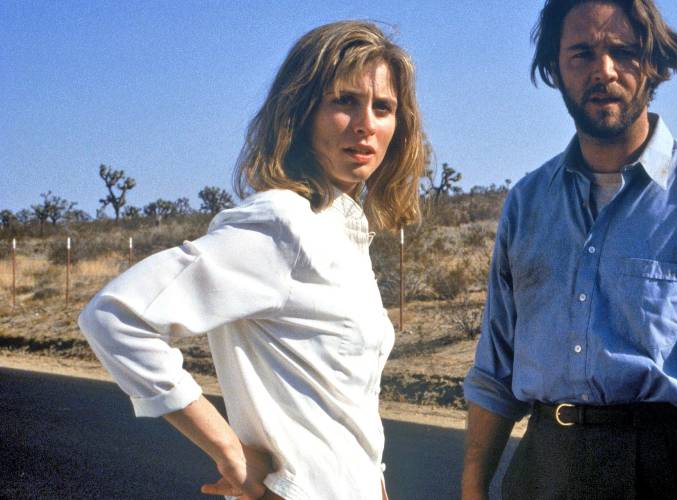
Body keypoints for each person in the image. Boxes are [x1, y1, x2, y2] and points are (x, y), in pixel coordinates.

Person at [461, 1, 677, 499]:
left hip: (662, 469)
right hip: (540, 468)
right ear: (555, 68)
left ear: (654, 62)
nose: (604, 70)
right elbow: (495, 369)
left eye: (623, 51)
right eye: (582, 54)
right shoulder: (528, 204)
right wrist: (472, 488)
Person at [78, 21, 425, 500]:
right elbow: (116, 316)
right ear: (301, 111)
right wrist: (229, 451)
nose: (366, 123)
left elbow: (344, 405)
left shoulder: (342, 232)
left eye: (382, 107)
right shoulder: (282, 222)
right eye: (344, 101)